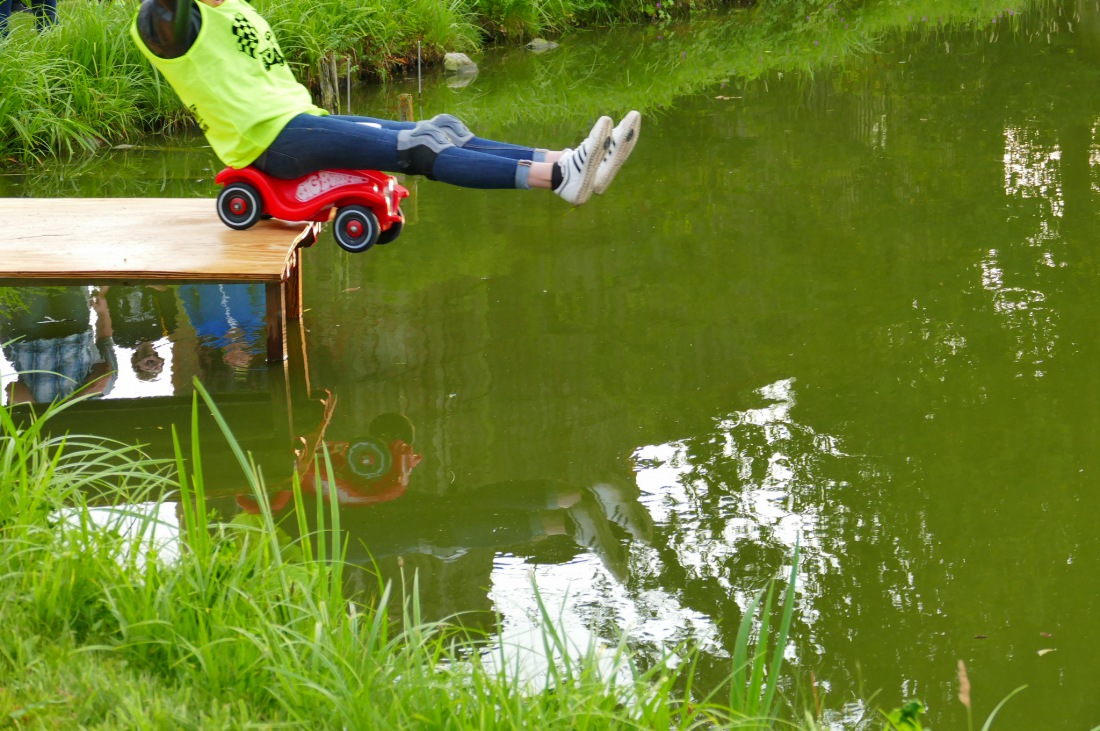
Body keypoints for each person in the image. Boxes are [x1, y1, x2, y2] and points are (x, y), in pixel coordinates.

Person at [130, 0, 640, 207]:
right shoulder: (170, 22)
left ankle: (570, 162)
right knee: (418, 144)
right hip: (268, 142)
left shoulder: (235, 7)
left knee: (443, 125)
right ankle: (558, 181)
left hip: (301, 121)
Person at [0, 287, 117, 405]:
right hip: (75, 329)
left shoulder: (31, 418)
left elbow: (12, 388)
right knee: (66, 278)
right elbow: (105, 354)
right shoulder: (98, 395)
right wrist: (103, 312)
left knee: (26, 285)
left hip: (30, 338)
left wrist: (44, 414)